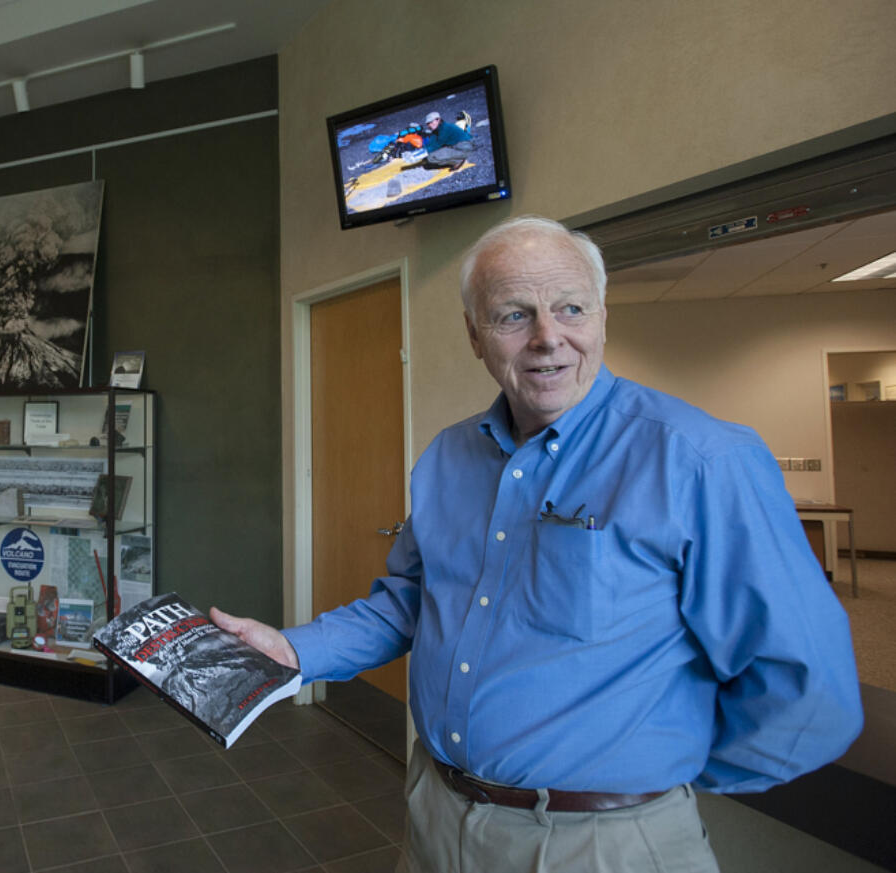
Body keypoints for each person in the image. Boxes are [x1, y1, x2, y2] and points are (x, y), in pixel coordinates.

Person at [212, 216, 863, 873]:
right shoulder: (446, 458)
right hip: (437, 816)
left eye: (570, 308)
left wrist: (659, 783)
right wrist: (294, 649)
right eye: (512, 315)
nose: (548, 338)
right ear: (474, 335)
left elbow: (807, 682)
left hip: (606, 843)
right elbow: (410, 603)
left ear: (602, 317)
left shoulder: (700, 459)